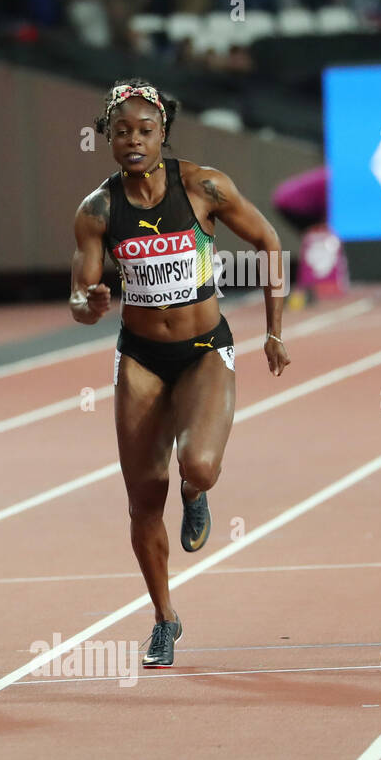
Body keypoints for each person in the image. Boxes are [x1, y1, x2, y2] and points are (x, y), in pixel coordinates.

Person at [69, 78, 290, 668]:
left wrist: (273, 330)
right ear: (107, 139)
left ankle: (196, 493)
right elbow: (81, 294)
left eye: (145, 131)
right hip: (140, 356)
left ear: (164, 132)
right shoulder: (97, 210)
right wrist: (86, 305)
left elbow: (269, 239)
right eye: (121, 133)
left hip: (201, 349)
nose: (133, 141)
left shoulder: (203, 187)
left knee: (199, 465)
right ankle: (165, 617)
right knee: (143, 498)